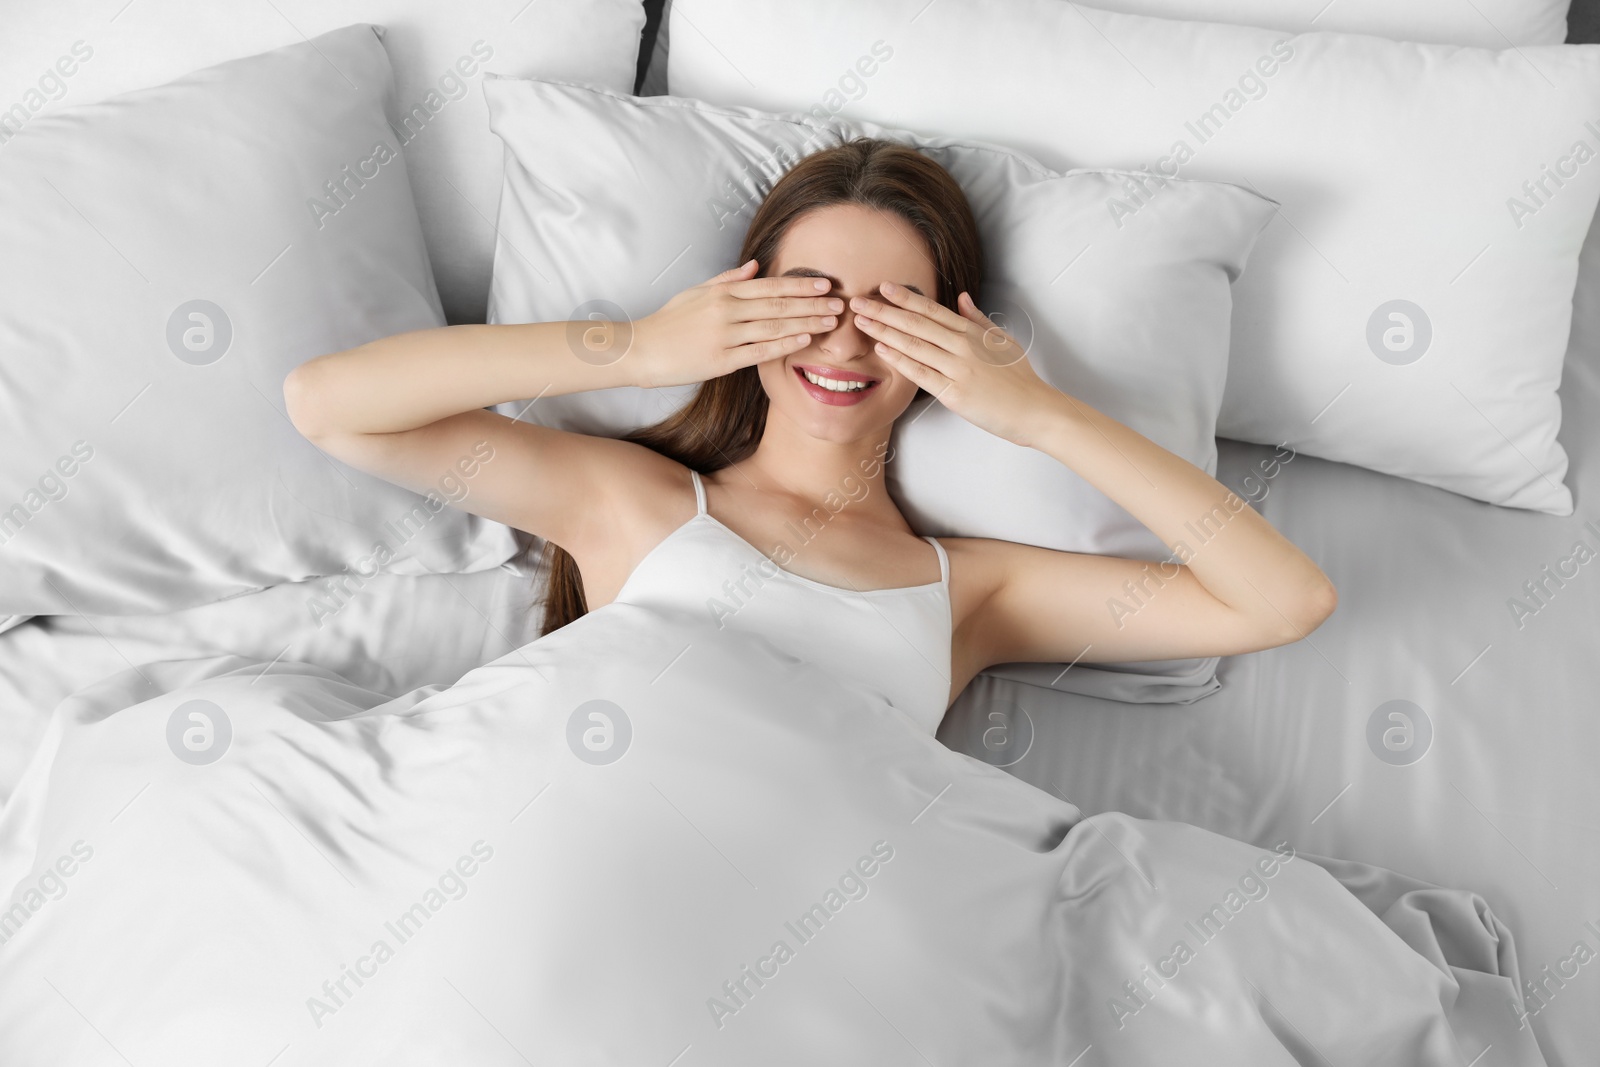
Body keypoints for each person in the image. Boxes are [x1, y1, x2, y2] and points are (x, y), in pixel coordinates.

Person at [284, 137, 1335, 734]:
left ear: (948, 335)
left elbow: (1284, 600)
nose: (841, 333)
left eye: (890, 305)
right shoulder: (629, 500)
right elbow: (329, 403)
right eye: (809, 294)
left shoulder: (971, 590)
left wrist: (1041, 414)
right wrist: (639, 348)